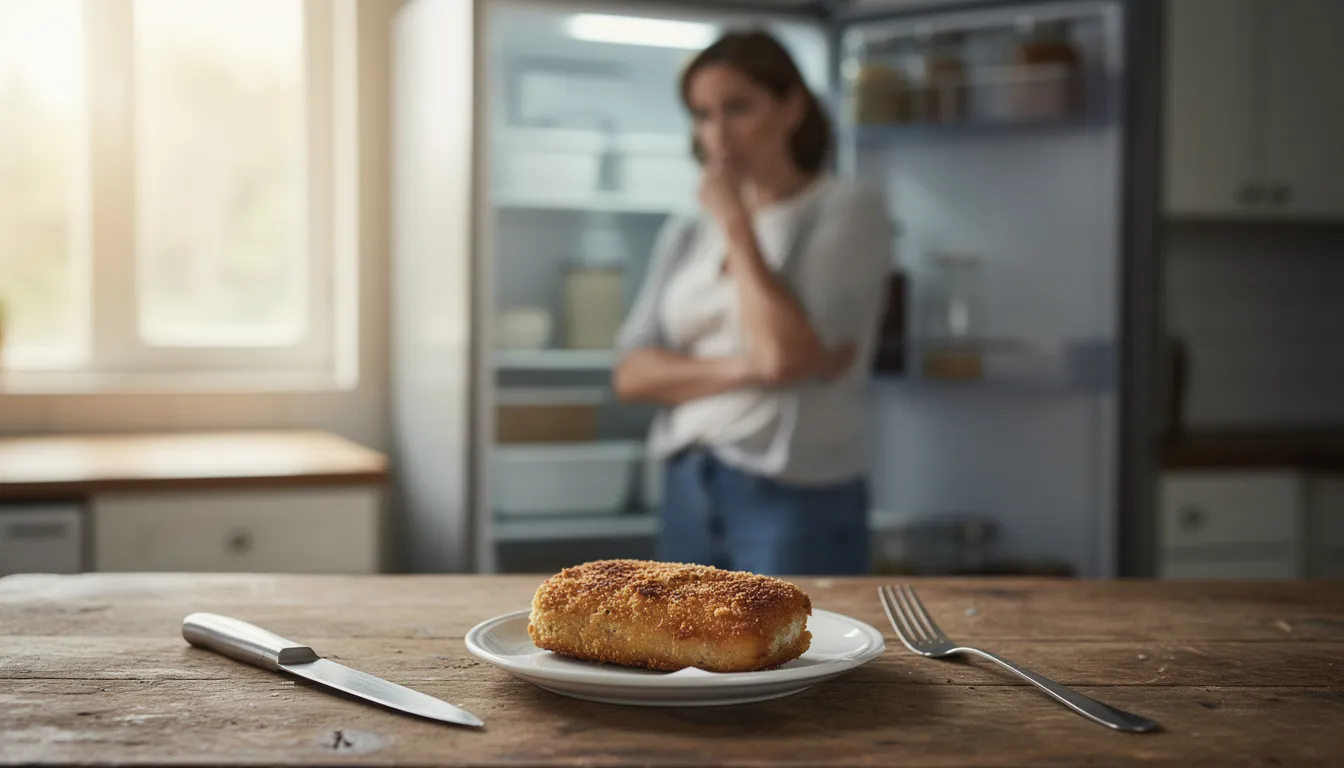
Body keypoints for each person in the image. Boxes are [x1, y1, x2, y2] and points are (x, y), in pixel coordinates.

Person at [612, 30, 892, 576]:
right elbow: (632, 375)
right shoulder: (687, 229)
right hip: (688, 479)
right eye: (702, 114)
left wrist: (739, 226)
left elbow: (786, 353)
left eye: (737, 108)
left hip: (796, 490)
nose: (717, 135)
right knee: (684, 654)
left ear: (792, 107)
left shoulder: (845, 206)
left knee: (793, 655)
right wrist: (752, 368)